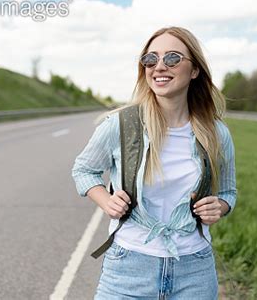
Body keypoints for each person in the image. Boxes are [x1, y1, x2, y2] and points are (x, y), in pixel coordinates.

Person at [71, 26, 237, 299]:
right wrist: (105, 200)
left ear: (194, 70)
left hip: (194, 271)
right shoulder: (120, 125)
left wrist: (219, 206)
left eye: (172, 58)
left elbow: (229, 192)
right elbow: (84, 170)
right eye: (150, 59)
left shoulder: (216, 133)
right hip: (128, 269)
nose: (159, 66)